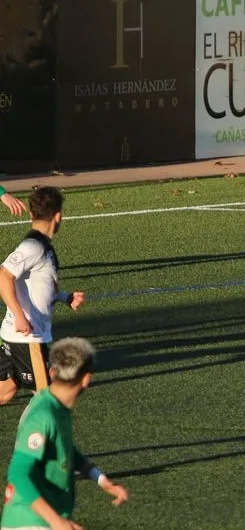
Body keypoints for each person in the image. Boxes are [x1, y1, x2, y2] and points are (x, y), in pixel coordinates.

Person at [1, 337, 129, 529]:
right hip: (28, 522)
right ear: (86, 378)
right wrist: (56, 522)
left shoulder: (57, 407)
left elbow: (62, 446)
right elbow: (18, 474)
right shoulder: (43, 415)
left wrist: (99, 478)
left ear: (51, 372)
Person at [0, 187, 84, 405]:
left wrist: (65, 297)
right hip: (28, 338)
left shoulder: (41, 246)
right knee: (47, 399)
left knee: (6, 391)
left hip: (19, 336)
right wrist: (19, 316)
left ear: (31, 214)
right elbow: (2, 276)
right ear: (58, 216)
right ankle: (36, 439)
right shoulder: (33, 246)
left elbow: (38, 287)